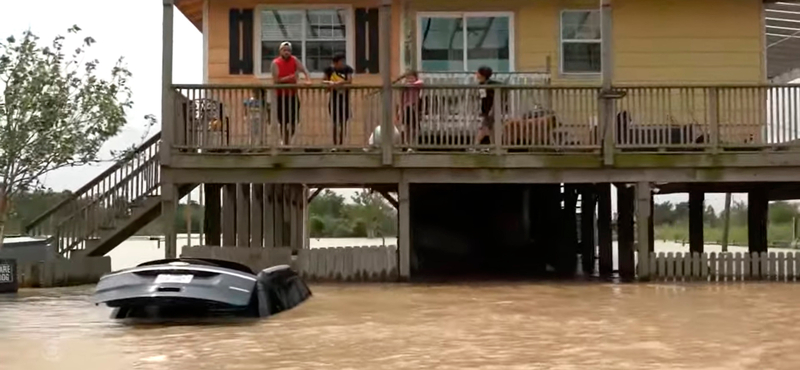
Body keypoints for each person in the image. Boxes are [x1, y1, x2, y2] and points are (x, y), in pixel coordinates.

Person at [271, 41, 311, 145]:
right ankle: (285, 142)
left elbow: (304, 70)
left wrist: (308, 80)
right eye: (284, 50)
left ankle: (287, 140)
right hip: (281, 96)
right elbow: (276, 80)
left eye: (288, 50)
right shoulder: (275, 63)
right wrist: (290, 78)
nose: (287, 52)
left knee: (294, 122)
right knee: (283, 122)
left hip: (293, 95)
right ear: (280, 51)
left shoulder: (294, 60)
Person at [323, 54, 354, 147]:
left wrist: (340, 82)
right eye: (340, 62)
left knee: (343, 122)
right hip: (334, 99)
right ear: (335, 63)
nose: (342, 63)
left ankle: (341, 143)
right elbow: (323, 81)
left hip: (344, 99)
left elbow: (349, 80)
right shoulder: (329, 70)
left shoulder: (347, 69)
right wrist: (330, 84)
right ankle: (335, 143)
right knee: (335, 123)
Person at [474, 66, 500, 147]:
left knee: (483, 128)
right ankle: (494, 146)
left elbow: (488, 99)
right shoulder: (482, 85)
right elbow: (483, 99)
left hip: (492, 109)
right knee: (489, 129)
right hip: (487, 110)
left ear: (482, 75)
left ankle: (476, 145)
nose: (476, 74)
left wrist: (488, 111)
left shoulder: (491, 84)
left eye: (478, 73)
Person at [399, 70, 424, 148]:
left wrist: (410, 84)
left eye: (412, 77)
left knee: (414, 127)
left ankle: (413, 143)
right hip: (406, 107)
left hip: (414, 107)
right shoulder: (404, 87)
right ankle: (406, 143)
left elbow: (420, 83)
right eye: (408, 78)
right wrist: (400, 109)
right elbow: (401, 98)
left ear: (415, 78)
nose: (410, 79)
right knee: (406, 126)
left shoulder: (417, 84)